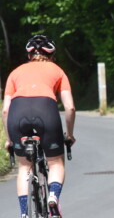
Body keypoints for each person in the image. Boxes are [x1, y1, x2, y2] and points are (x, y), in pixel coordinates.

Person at [2, 35, 76, 218]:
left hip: (17, 114)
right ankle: (52, 197)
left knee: (24, 167)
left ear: (29, 55)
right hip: (46, 111)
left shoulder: (15, 72)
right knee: (55, 162)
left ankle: (23, 213)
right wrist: (70, 134)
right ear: (51, 55)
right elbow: (70, 107)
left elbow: (5, 111)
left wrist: (9, 140)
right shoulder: (57, 70)